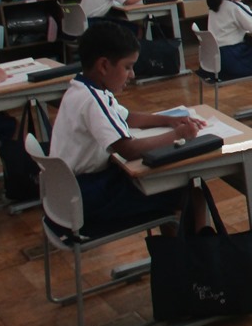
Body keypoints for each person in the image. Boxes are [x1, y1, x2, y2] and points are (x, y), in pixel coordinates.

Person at [48, 21, 207, 229]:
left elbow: (127, 117)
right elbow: (129, 150)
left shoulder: (82, 89)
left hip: (68, 194)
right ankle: (198, 249)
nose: (132, 75)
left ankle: (176, 246)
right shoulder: (92, 100)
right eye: (127, 67)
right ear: (104, 66)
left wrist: (168, 120)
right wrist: (178, 134)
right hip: (87, 198)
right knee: (190, 189)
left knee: (162, 182)